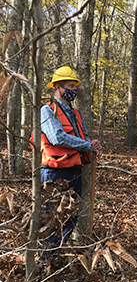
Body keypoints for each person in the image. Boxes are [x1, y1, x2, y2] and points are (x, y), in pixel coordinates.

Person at [39, 66, 102, 245]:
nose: (73, 90)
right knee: (50, 218)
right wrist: (87, 145)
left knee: (72, 217)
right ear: (57, 87)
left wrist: (92, 144)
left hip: (75, 170)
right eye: (69, 86)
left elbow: (84, 138)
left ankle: (56, 253)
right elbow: (57, 137)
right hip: (54, 173)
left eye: (75, 87)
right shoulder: (47, 110)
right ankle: (45, 259)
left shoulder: (76, 114)